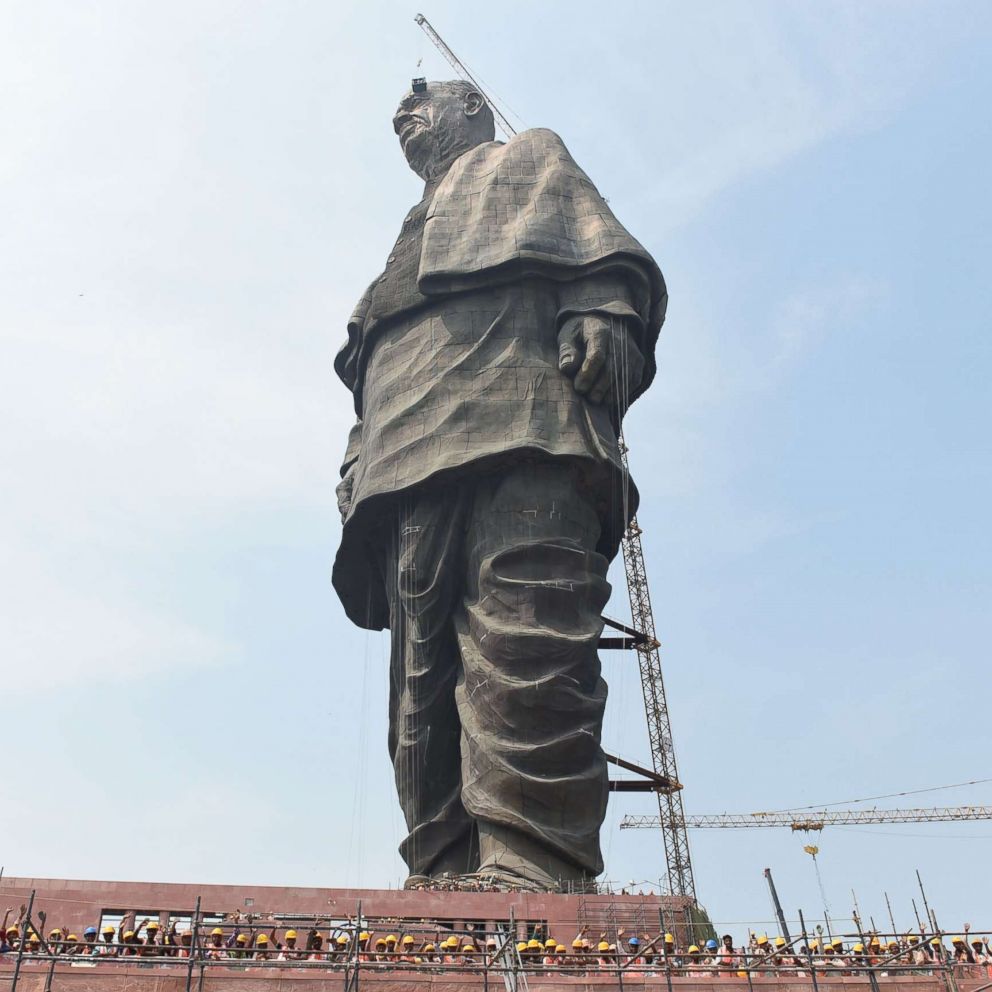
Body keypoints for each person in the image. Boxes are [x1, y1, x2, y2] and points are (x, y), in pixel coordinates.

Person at [333, 78, 667, 891]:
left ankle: (531, 861)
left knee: (527, 633)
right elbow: (369, 356)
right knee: (422, 679)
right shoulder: (405, 234)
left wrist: (601, 308)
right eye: (397, 112)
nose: (405, 112)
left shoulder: (528, 157)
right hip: (408, 446)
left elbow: (599, 259)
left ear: (473, 107)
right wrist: (354, 458)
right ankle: (442, 868)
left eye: (423, 100)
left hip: (525, 418)